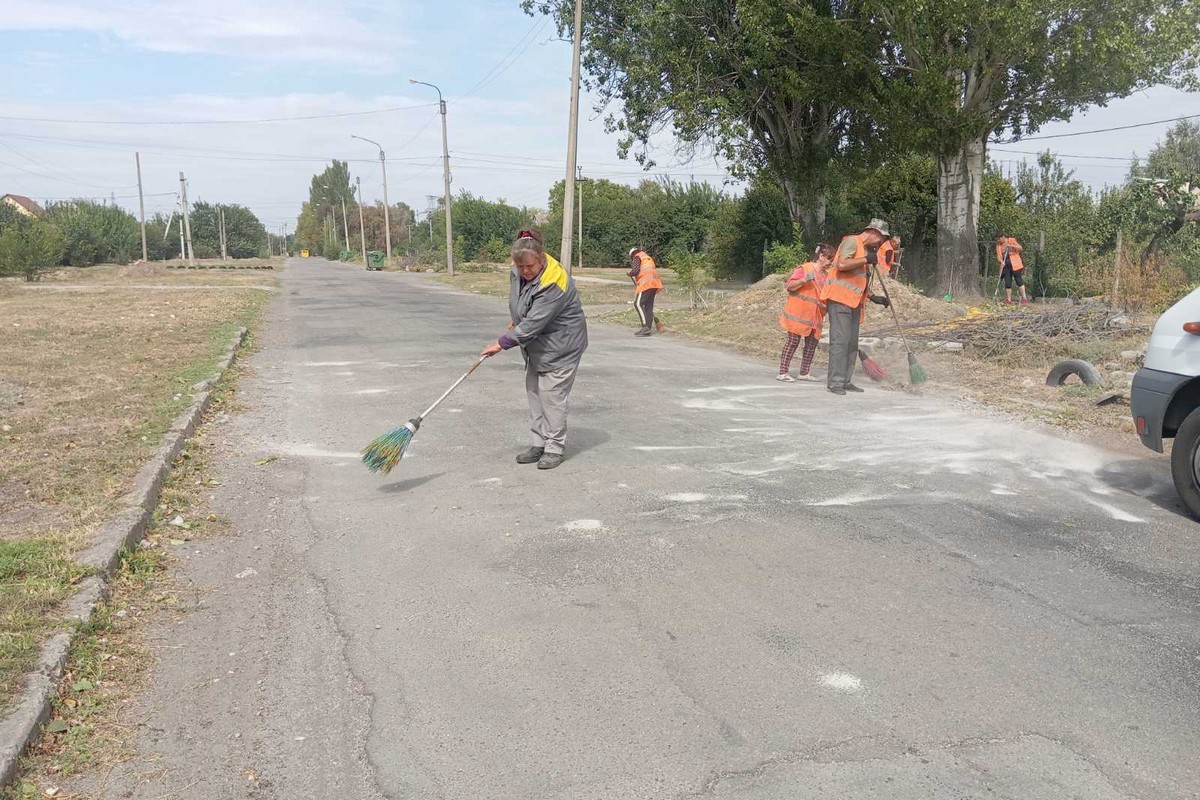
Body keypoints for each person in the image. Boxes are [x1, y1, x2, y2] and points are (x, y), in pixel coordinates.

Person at [480, 229, 588, 470]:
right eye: (521, 267)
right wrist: (518, 318)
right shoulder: (517, 269)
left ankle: (554, 447)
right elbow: (522, 302)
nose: (525, 271)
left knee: (551, 397)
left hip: (562, 345)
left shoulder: (554, 280)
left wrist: (502, 343)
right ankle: (539, 442)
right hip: (537, 345)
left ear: (542, 258)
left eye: (530, 266)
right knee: (535, 394)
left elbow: (535, 322)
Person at [820, 219, 892, 396]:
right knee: (840, 342)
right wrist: (867, 259)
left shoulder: (865, 250)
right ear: (874, 233)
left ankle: (845, 380)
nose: (880, 243)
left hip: (854, 302)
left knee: (851, 343)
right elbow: (843, 265)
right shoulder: (852, 241)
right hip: (839, 300)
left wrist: (874, 297)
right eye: (881, 238)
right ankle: (835, 382)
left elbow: (857, 281)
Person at [777, 243, 835, 382]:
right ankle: (783, 372)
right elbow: (790, 287)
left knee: (811, 345)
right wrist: (804, 279)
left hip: (815, 316)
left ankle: (804, 372)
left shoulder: (826, 276)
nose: (830, 264)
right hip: (798, 314)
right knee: (793, 342)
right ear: (821, 256)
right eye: (829, 260)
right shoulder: (805, 269)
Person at [628, 247, 663, 336]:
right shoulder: (646, 257)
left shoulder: (637, 257)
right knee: (648, 306)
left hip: (646, 284)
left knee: (638, 304)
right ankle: (648, 328)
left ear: (632, 254)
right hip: (654, 284)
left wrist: (630, 273)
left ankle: (645, 327)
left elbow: (635, 270)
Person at [996, 234, 1029, 306]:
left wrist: (1011, 246)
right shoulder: (998, 246)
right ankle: (1008, 300)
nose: (998, 240)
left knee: (1019, 281)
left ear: (1003, 237)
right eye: (997, 239)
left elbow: (1020, 248)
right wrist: (1002, 262)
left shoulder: (1011, 240)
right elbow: (999, 256)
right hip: (1006, 266)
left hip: (1015, 264)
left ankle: (1024, 298)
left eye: (999, 239)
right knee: (1007, 282)